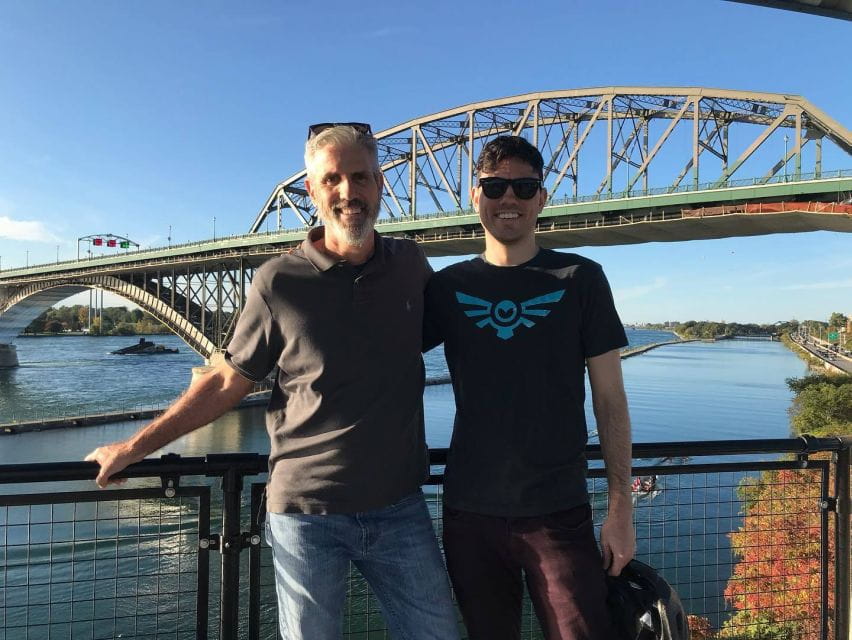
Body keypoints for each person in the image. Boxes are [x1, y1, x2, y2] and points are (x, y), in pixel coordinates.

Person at [85, 123, 460, 640]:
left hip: (400, 505)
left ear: (378, 183)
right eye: (332, 180)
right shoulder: (278, 280)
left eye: (359, 177)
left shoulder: (410, 263)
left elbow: (460, 334)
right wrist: (133, 447)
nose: (347, 192)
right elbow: (225, 381)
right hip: (306, 517)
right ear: (312, 191)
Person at [424, 135, 635, 639]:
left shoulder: (581, 278)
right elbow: (379, 360)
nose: (509, 199)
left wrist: (620, 509)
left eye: (524, 186)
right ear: (475, 197)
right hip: (469, 512)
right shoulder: (447, 288)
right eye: (494, 187)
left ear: (542, 198)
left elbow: (610, 398)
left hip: (557, 511)